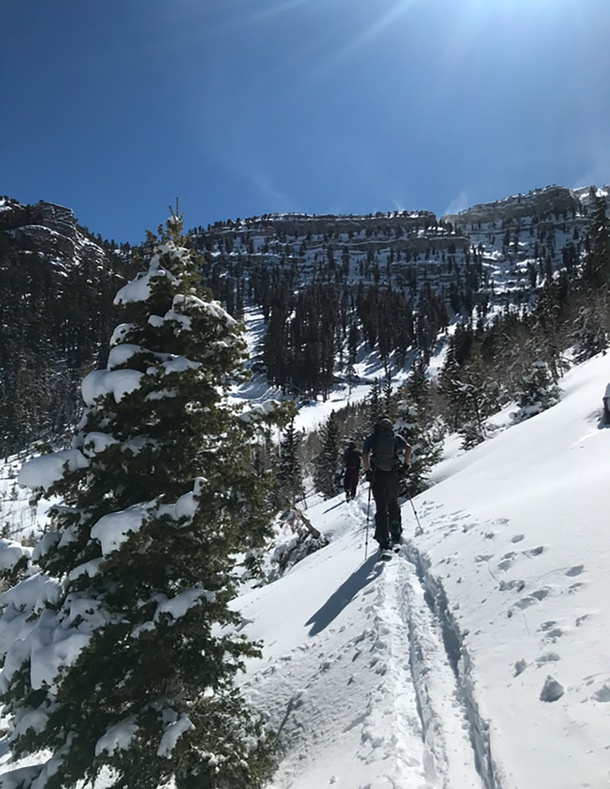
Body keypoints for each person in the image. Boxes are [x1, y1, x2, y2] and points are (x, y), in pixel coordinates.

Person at [362, 416, 412, 551]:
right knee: (393, 503)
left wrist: (368, 471)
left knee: (381, 507)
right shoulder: (395, 437)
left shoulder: (373, 438)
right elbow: (408, 448)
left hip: (377, 475)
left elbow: (365, 454)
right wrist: (405, 466)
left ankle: (383, 539)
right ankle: (395, 533)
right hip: (393, 475)